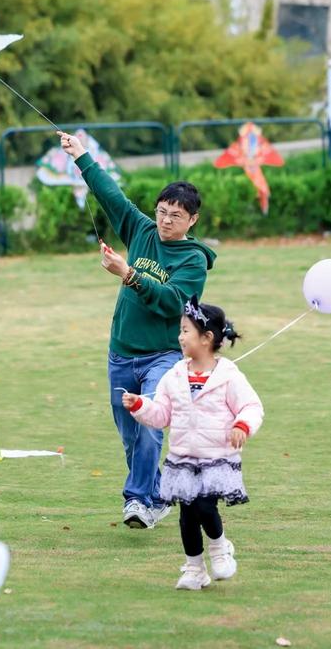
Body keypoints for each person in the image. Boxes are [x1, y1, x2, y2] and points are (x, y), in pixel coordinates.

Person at [59, 132, 216, 530]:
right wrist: (82, 156)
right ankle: (158, 494)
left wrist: (128, 273)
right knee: (130, 437)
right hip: (121, 352)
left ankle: (137, 500)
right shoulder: (142, 230)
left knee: (149, 425)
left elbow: (172, 302)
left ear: (192, 220)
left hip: (163, 355)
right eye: (162, 211)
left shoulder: (193, 260)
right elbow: (111, 196)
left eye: (176, 215)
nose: (166, 220)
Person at [122, 295, 263, 590]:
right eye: (180, 330)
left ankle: (220, 548)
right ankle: (194, 569)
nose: (180, 337)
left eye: (186, 330)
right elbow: (162, 415)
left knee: (204, 507)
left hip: (216, 457)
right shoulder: (174, 376)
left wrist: (242, 426)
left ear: (206, 338)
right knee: (187, 515)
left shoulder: (228, 376)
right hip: (183, 458)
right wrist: (140, 406)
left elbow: (251, 406)